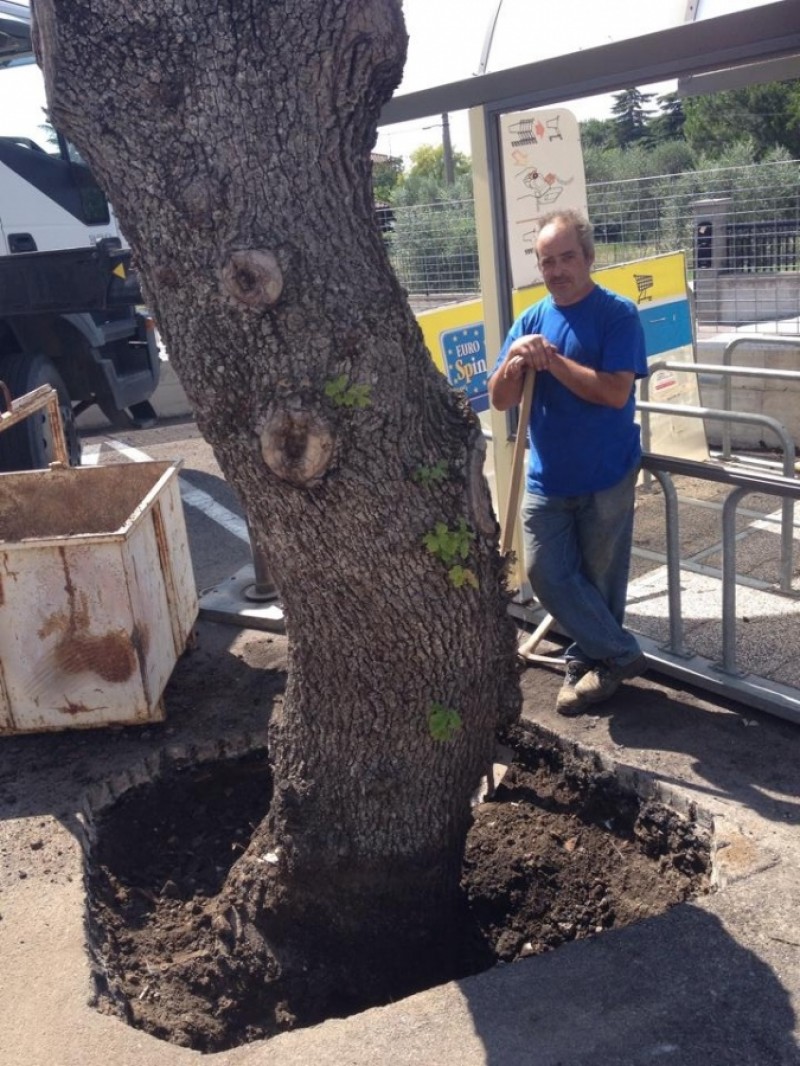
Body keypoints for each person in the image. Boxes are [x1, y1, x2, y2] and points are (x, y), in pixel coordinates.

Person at [488, 209, 649, 716]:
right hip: (547, 479)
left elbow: (613, 393)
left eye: (565, 258)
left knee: (599, 583)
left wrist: (552, 361)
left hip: (606, 476)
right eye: (546, 261)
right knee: (547, 573)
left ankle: (587, 666)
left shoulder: (617, 314)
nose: (556, 269)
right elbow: (498, 398)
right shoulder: (531, 320)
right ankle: (620, 654)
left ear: (588, 257)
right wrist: (516, 358)